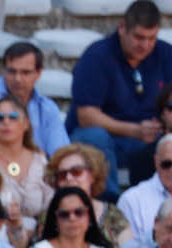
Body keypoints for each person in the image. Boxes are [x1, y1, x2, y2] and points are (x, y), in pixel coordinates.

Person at [68, 0, 172, 191]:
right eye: (139, 37)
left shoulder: (165, 54)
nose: (146, 45)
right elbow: (87, 116)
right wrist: (135, 130)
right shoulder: (97, 56)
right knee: (94, 137)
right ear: (122, 27)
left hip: (150, 140)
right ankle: (109, 206)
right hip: (108, 139)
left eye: (152, 38)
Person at [0, 42, 67, 164]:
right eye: (12, 71)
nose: (18, 79)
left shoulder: (47, 107)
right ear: (3, 71)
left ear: (38, 73)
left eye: (25, 72)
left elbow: (60, 153)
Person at [0, 97, 48, 248]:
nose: (5, 122)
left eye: (13, 117)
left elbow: (50, 204)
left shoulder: (40, 160)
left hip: (37, 238)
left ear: (26, 124)